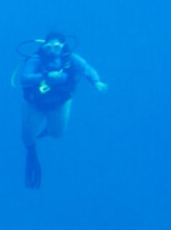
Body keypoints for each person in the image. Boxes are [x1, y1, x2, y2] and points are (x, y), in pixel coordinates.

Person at [18, 31, 107, 189]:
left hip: (60, 104)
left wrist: (96, 82)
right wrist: (45, 76)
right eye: (50, 46)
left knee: (57, 133)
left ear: (63, 46)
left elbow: (86, 69)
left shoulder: (71, 59)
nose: (54, 49)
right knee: (27, 136)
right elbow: (24, 78)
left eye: (58, 45)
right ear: (45, 46)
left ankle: (46, 130)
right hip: (34, 104)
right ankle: (31, 152)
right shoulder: (36, 59)